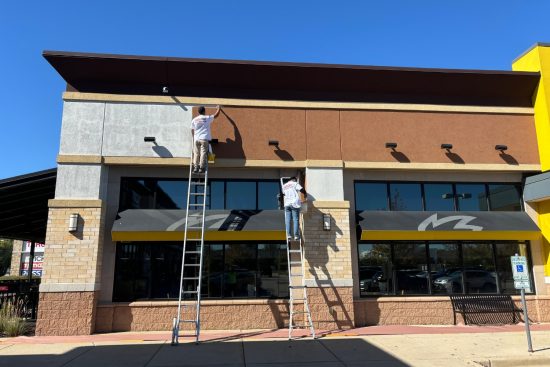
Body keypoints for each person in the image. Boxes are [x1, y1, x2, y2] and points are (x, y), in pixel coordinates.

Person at [191, 105, 221, 173]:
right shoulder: (206, 118)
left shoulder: (194, 119)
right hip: (204, 139)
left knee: (196, 153)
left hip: (196, 139)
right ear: (204, 111)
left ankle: (195, 167)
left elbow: (192, 129)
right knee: (203, 153)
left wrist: (194, 137)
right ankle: (201, 168)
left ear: (198, 112)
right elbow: (215, 115)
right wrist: (219, 108)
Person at [282, 177, 307, 241]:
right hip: (294, 204)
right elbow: (301, 190)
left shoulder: (284, 186)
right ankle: (296, 235)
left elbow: (283, 194)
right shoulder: (295, 183)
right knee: (295, 219)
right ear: (294, 180)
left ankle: (289, 235)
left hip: (287, 204)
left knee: (288, 220)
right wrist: (305, 194)